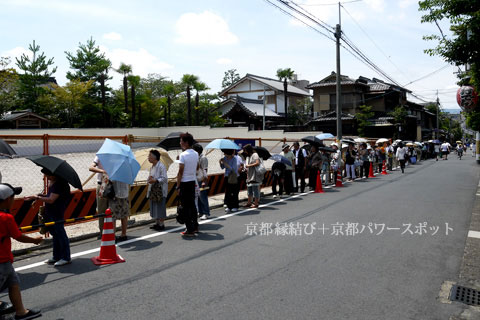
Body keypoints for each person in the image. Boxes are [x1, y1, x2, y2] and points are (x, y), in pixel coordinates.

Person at [0, 183, 43, 320]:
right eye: (13, 197)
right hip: (2, 260)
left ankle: (21, 312)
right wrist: (34, 240)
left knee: (14, 282)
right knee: (12, 282)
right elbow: (18, 236)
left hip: (5, 260)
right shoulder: (6, 218)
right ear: (7, 200)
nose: (13, 200)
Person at [25, 168, 71, 266]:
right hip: (51, 212)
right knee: (55, 235)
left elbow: (51, 199)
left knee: (60, 234)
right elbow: (50, 196)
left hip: (56, 212)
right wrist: (41, 195)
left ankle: (66, 257)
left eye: (47, 175)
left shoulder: (59, 184)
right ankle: (56, 256)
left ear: (53, 175)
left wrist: (37, 197)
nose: (45, 177)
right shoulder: (54, 183)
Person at [177, 133, 199, 237]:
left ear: (186, 142)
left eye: (181, 141)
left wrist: (178, 185)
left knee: (185, 206)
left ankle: (189, 229)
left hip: (184, 182)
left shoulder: (183, 155)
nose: (180, 143)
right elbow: (197, 167)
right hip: (192, 181)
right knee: (192, 205)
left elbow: (180, 171)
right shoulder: (195, 153)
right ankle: (195, 226)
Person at [147, 150, 168, 231]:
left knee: (160, 206)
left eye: (149, 156)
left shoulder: (161, 166)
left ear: (154, 157)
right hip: (153, 189)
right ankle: (157, 223)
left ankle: (161, 224)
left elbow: (164, 178)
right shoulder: (152, 167)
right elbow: (151, 177)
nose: (148, 158)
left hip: (160, 189)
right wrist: (149, 179)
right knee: (154, 206)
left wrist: (155, 180)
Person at [89, 156, 108, 235]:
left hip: (112, 184)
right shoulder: (100, 156)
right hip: (102, 184)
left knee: (111, 209)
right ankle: (102, 232)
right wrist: (102, 171)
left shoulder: (114, 156)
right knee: (101, 210)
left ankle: (111, 231)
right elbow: (91, 167)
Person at [193, 144, 210, 220]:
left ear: (197, 151)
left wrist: (204, 181)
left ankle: (206, 213)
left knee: (203, 197)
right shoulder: (196, 158)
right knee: (198, 197)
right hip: (196, 180)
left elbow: (205, 169)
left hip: (201, 179)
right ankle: (201, 212)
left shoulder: (203, 158)